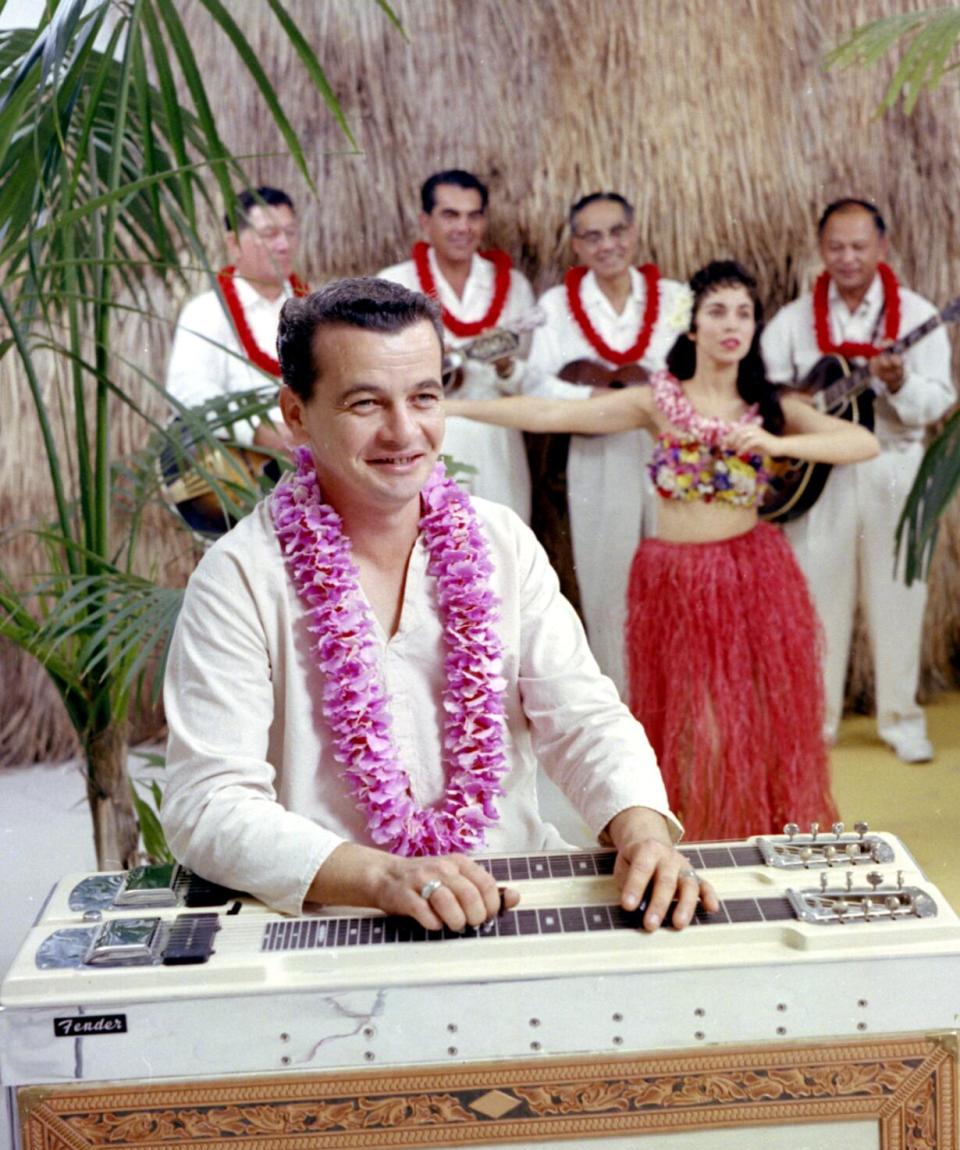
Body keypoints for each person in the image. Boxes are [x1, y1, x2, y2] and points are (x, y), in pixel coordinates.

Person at [162, 276, 716, 932]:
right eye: (366, 403)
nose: (404, 431)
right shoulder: (240, 577)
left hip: (512, 895)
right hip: (338, 919)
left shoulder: (500, 539)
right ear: (295, 413)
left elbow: (584, 719)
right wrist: (384, 876)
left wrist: (644, 832)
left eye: (424, 396)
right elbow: (209, 803)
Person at [445, 260, 880, 840]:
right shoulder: (658, 401)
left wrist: (777, 441)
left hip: (752, 573)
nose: (733, 324)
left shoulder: (769, 405)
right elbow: (553, 412)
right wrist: (447, 407)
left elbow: (862, 442)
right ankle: (692, 832)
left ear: (754, 329)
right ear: (693, 327)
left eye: (744, 313)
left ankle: (752, 830)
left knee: (754, 717)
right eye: (717, 311)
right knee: (692, 721)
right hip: (675, 579)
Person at [762, 199, 955, 763]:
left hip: (895, 468)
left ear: (882, 247)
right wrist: (797, 408)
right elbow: (768, 394)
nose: (847, 257)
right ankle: (816, 725)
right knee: (816, 602)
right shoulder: (794, 320)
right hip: (818, 477)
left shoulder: (918, 314)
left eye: (859, 246)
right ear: (820, 249)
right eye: (836, 246)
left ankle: (901, 720)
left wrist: (896, 385)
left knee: (900, 595)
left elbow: (937, 402)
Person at [521, 193, 689, 694]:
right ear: (576, 245)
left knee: (676, 574)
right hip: (594, 450)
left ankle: (675, 698)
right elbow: (534, 382)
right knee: (606, 584)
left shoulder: (676, 298)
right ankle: (618, 704)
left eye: (617, 232)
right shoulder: (555, 307)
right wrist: (593, 396)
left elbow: (694, 375)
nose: (608, 245)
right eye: (592, 236)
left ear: (634, 233)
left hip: (669, 454)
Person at [378, 170, 536, 521]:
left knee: (505, 545)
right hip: (423, 440)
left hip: (498, 439)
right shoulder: (393, 284)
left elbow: (526, 379)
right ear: (425, 221)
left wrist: (505, 365)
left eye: (473, 215)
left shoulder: (514, 287)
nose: (463, 227)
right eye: (450, 215)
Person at [166, 186, 306, 451]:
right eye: (270, 234)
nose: (284, 244)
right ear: (233, 243)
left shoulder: (315, 308)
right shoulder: (206, 312)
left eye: (290, 232)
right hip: (243, 461)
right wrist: (259, 430)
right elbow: (189, 394)